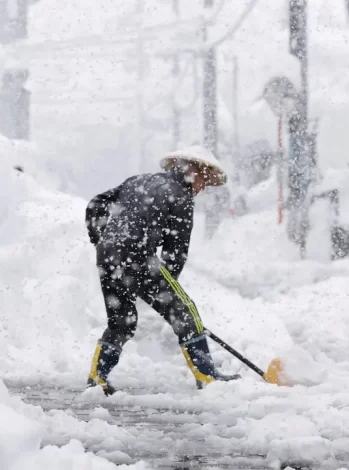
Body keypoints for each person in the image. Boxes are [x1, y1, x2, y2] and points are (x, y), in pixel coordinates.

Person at [84, 146, 241, 395]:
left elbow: (96, 204)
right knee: (186, 312)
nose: (202, 188)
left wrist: (101, 240)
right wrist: (167, 292)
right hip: (138, 257)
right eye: (204, 181)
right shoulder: (180, 195)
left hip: (107, 256)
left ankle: (97, 375)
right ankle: (207, 375)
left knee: (121, 322)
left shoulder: (138, 181)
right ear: (195, 171)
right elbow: (175, 253)